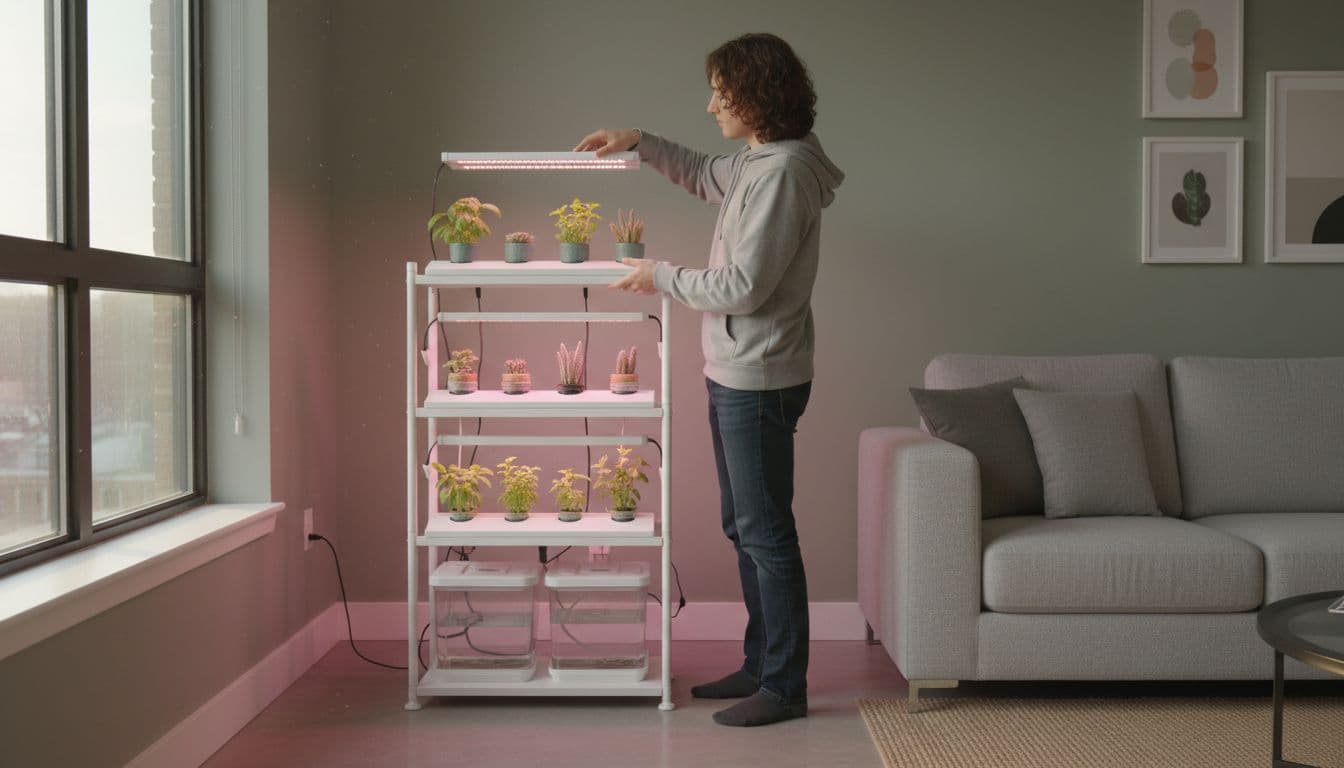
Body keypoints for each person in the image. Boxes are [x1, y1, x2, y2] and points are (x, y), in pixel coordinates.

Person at [575, 32, 843, 727]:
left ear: (756, 100)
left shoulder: (783, 174)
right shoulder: (759, 160)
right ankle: (762, 665)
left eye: (722, 95)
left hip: (759, 375)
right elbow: (702, 172)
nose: (710, 105)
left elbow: (745, 286)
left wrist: (658, 276)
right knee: (745, 524)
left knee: (765, 531)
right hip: (739, 370)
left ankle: (785, 687)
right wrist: (638, 140)